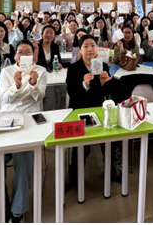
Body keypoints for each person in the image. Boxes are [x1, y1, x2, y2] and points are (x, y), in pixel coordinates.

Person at [0, 40, 47, 223]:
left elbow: (40, 96)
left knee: (23, 156)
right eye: (20, 52)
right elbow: (5, 99)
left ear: (33, 54)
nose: (24, 55)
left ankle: (18, 209)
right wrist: (15, 86)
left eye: (28, 52)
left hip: (29, 120)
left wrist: (33, 84)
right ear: (15, 55)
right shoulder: (7, 71)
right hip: (7, 119)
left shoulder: (40, 71)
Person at [65, 35, 118, 189]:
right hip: (80, 109)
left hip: (99, 108)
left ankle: (111, 170)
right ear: (80, 50)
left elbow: (107, 92)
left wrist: (103, 84)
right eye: (86, 46)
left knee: (109, 141)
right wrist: (84, 85)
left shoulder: (102, 65)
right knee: (82, 146)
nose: (90, 49)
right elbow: (72, 93)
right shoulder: (74, 68)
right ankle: (73, 173)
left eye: (93, 45)